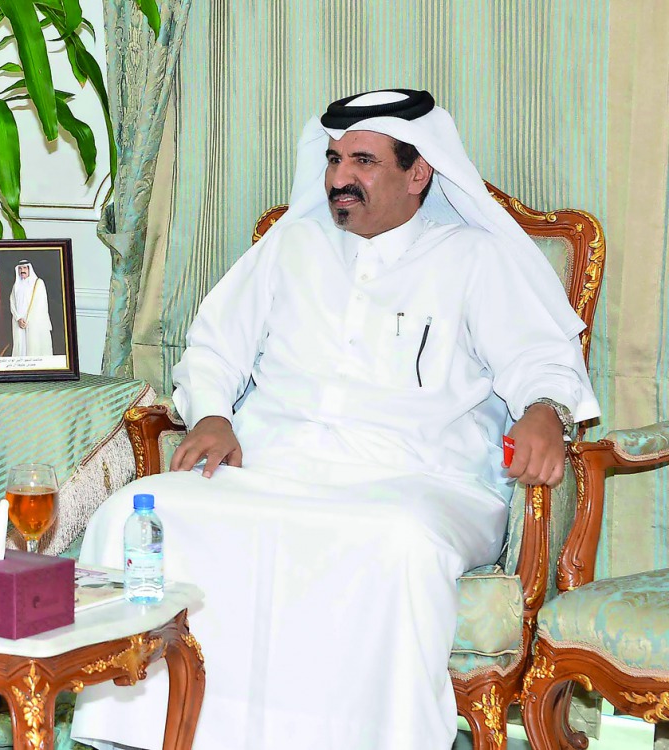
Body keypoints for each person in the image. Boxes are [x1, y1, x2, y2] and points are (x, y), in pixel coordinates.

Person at [70, 89, 599, 750]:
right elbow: (214, 348)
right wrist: (211, 415)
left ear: (419, 172)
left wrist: (545, 412)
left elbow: (540, 358)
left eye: (364, 161)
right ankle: (152, 733)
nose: (340, 177)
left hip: (420, 478)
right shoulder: (293, 242)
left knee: (395, 542)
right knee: (135, 516)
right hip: (273, 463)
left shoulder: (474, 258)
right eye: (333, 158)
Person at [9, 259, 54, 356]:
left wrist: (27, 320)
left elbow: (40, 305)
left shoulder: (38, 283)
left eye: (25, 268)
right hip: (19, 323)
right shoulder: (16, 286)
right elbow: (12, 303)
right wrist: (18, 319)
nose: (22, 270)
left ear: (29, 269)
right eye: (20, 268)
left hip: (34, 323)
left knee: (34, 347)